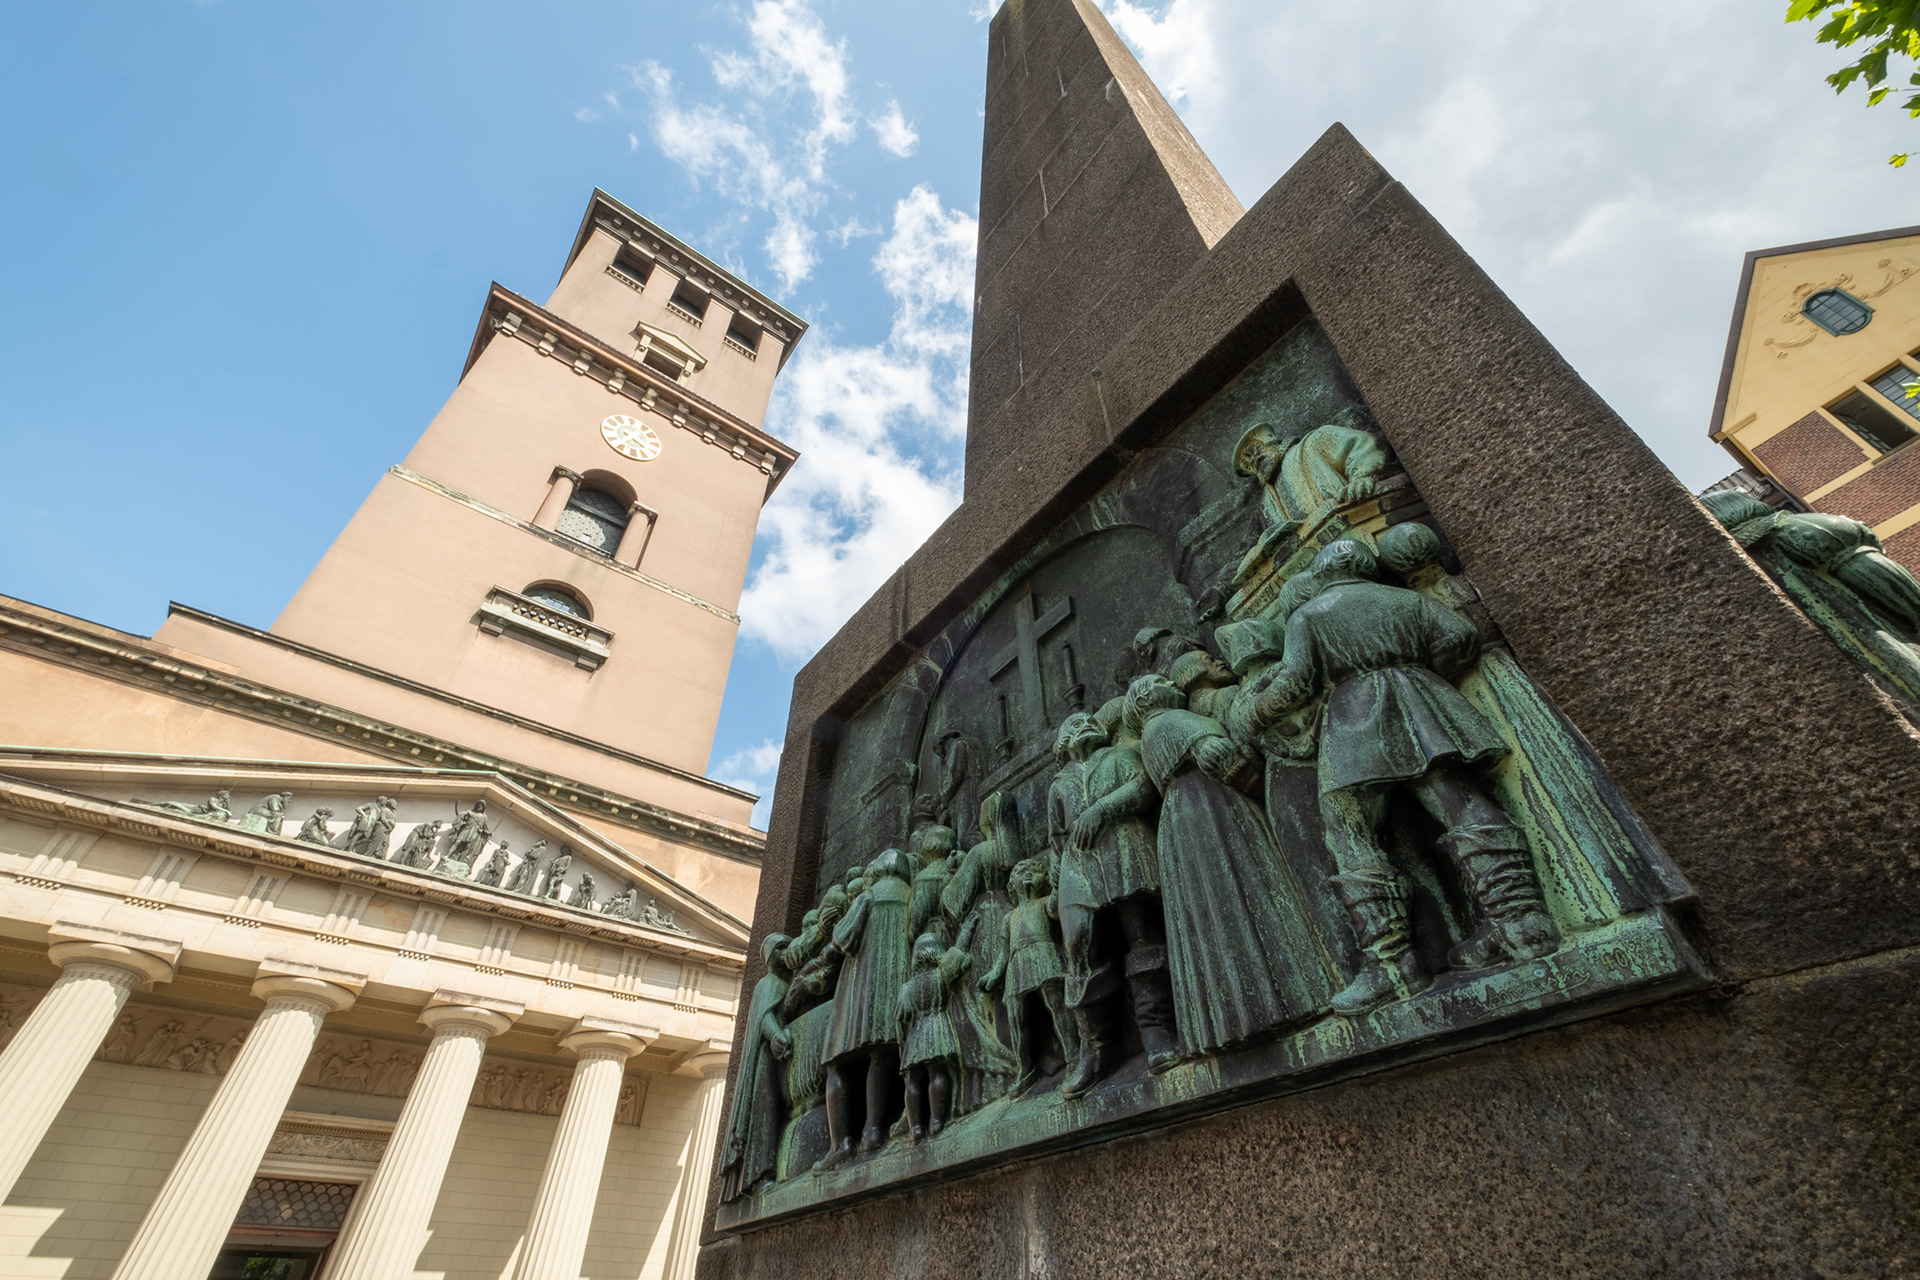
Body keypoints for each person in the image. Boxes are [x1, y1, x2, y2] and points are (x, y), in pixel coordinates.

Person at [1253, 540, 1559, 1015]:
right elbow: (1459, 636)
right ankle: (1521, 921)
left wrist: (1255, 712)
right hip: (1421, 698)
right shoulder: (1405, 599)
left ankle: (1392, 964)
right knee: (1456, 797)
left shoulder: (1311, 613)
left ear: (1324, 568)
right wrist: (1425, 674)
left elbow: (1296, 680)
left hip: (1354, 715)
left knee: (1348, 829)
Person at [1129, 673, 1333, 1053]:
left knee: (1214, 914)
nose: (1171, 683)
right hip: (1211, 808)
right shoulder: (1172, 721)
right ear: (1145, 698)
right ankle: (1282, 1002)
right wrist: (1263, 787)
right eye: (1160, 681)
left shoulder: (1150, 736)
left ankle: (1230, 1020)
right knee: (1246, 897)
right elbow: (1219, 756)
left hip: (1184, 818)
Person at [1045, 711, 1177, 1092]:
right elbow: (1056, 837)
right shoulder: (1059, 785)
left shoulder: (1118, 756)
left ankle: (1156, 1030)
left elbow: (1143, 788)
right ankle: (1097, 1047)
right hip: (1079, 862)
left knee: (1140, 931)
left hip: (1123, 846)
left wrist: (1102, 809)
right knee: (1077, 943)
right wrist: (1056, 877)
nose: (1081, 724)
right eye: (1071, 723)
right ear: (1062, 743)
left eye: (1087, 720)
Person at [815, 849, 914, 1169]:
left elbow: (843, 939)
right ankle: (872, 1130)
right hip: (895, 985)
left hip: (861, 990)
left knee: (835, 1064)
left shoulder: (868, 896)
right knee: (881, 1056)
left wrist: (826, 955)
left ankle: (841, 1142)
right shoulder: (909, 895)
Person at [979, 859, 1078, 1093]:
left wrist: (1056, 884)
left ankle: (1074, 1055)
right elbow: (1004, 952)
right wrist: (994, 973)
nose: (1027, 875)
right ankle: (1026, 1069)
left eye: (1033, 871)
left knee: (1057, 1005)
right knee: (1018, 1018)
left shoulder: (1044, 903)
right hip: (1017, 964)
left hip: (1045, 955)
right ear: (1012, 883)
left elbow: (1056, 909)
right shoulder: (1008, 917)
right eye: (1021, 872)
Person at [720, 933, 794, 1201]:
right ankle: (759, 1176)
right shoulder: (770, 983)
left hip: (772, 1059)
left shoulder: (780, 983)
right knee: (765, 1112)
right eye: (781, 950)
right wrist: (775, 1035)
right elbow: (766, 1018)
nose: (786, 954)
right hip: (765, 1060)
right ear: (772, 957)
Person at [895, 932, 969, 1142]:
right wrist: (965, 932)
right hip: (937, 1027)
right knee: (937, 1073)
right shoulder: (940, 974)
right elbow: (957, 958)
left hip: (916, 1033)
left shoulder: (907, 987)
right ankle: (936, 1121)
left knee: (913, 1080)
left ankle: (916, 1127)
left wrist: (903, 1041)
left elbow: (900, 1016)